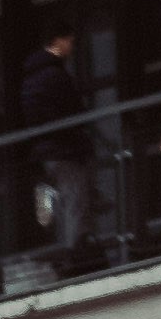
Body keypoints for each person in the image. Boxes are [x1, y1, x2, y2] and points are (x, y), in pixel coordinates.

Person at [17, 20, 100, 264]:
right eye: (71, 42)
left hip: (45, 152)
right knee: (75, 200)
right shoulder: (55, 74)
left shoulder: (31, 77)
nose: (72, 48)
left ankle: (70, 248)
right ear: (60, 40)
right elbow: (72, 111)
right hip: (65, 150)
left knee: (62, 204)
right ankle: (75, 253)